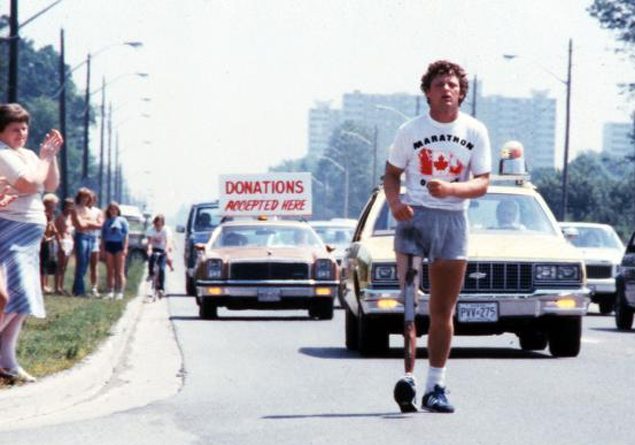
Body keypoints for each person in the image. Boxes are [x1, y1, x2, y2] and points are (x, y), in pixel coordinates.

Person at [384, 60, 491, 413]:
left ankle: (436, 386)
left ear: (462, 93)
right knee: (411, 305)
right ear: (428, 92)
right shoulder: (410, 130)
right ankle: (409, 380)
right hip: (415, 220)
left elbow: (483, 182)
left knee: (442, 309)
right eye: (440, 84)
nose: (447, 89)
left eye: (453, 85)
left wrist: (452, 189)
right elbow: (391, 175)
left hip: (453, 221)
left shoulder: (474, 131)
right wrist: (396, 203)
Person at [0, 103, 64, 383]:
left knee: (21, 301)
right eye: (15, 129)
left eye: (25, 128)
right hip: (11, 229)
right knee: (13, 296)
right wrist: (44, 160)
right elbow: (28, 184)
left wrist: (50, 157)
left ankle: (7, 360)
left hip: (29, 233)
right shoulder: (3, 154)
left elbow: (50, 184)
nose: (21, 133)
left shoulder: (25, 154)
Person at [71, 187, 102, 297]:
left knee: (85, 264)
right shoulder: (75, 209)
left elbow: (99, 225)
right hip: (81, 236)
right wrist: (90, 223)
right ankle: (80, 290)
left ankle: (76, 289)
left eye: (87, 197)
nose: (85, 199)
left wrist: (87, 222)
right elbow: (80, 225)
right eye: (83, 196)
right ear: (79, 197)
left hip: (91, 237)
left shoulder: (89, 210)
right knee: (81, 263)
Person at [101, 201, 129, 300]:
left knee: (119, 270)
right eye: (111, 209)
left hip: (119, 246)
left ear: (118, 210)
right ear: (108, 210)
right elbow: (103, 237)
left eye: (115, 209)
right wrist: (103, 249)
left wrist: (125, 248)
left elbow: (126, 235)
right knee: (110, 270)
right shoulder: (106, 221)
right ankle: (110, 291)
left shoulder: (122, 220)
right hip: (109, 245)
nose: (113, 211)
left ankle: (120, 291)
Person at [146, 214, 173, 296]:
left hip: (163, 249)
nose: (158, 226)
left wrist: (166, 250)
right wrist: (149, 249)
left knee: (161, 269)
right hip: (154, 248)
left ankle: (161, 288)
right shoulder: (151, 229)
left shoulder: (166, 230)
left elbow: (168, 241)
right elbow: (149, 242)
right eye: (156, 224)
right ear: (154, 223)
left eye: (160, 224)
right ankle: (150, 274)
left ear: (163, 224)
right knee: (151, 258)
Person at [40, 193, 60, 294]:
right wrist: (46, 238)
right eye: (53, 204)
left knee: (46, 264)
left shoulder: (52, 215)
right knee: (42, 264)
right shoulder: (43, 214)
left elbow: (52, 228)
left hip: (48, 241)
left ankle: (45, 285)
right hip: (42, 242)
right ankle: (42, 286)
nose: (54, 206)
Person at [54, 197, 75, 295]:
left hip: (70, 242)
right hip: (63, 241)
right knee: (60, 265)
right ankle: (57, 287)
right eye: (68, 205)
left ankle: (61, 286)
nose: (70, 207)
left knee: (65, 266)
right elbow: (57, 232)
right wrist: (60, 243)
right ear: (64, 206)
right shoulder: (60, 217)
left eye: (71, 205)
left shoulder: (71, 217)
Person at [88, 190, 103, 297]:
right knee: (83, 264)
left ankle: (94, 287)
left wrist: (87, 223)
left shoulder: (97, 211)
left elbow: (100, 224)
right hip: (83, 237)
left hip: (94, 238)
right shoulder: (81, 210)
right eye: (88, 199)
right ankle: (81, 287)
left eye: (92, 199)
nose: (90, 201)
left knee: (94, 265)